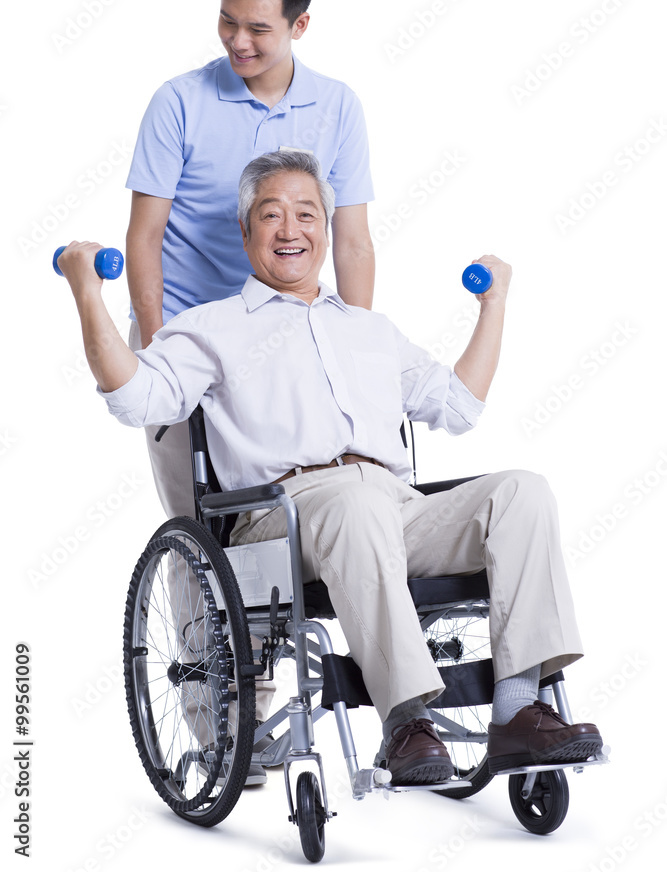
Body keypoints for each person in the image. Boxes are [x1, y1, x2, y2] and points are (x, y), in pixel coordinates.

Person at [58, 150, 602, 787]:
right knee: (356, 504)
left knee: (523, 493)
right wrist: (87, 291)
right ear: (246, 231)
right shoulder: (212, 327)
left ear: (324, 227)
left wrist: (496, 303)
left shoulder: (370, 330)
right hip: (280, 521)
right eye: (272, 215)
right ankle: (406, 723)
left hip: (393, 509)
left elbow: (459, 405)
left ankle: (517, 713)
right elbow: (134, 397)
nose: (291, 230)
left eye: (306, 214)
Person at [124, 0, 375, 521]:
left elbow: (354, 240)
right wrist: (162, 351)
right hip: (187, 327)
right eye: (226, 20)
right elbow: (144, 237)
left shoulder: (338, 107)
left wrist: (358, 348)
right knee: (199, 520)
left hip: (281, 336)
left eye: (257, 29)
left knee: (290, 506)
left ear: (300, 23)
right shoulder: (178, 102)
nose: (238, 40)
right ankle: (197, 615)